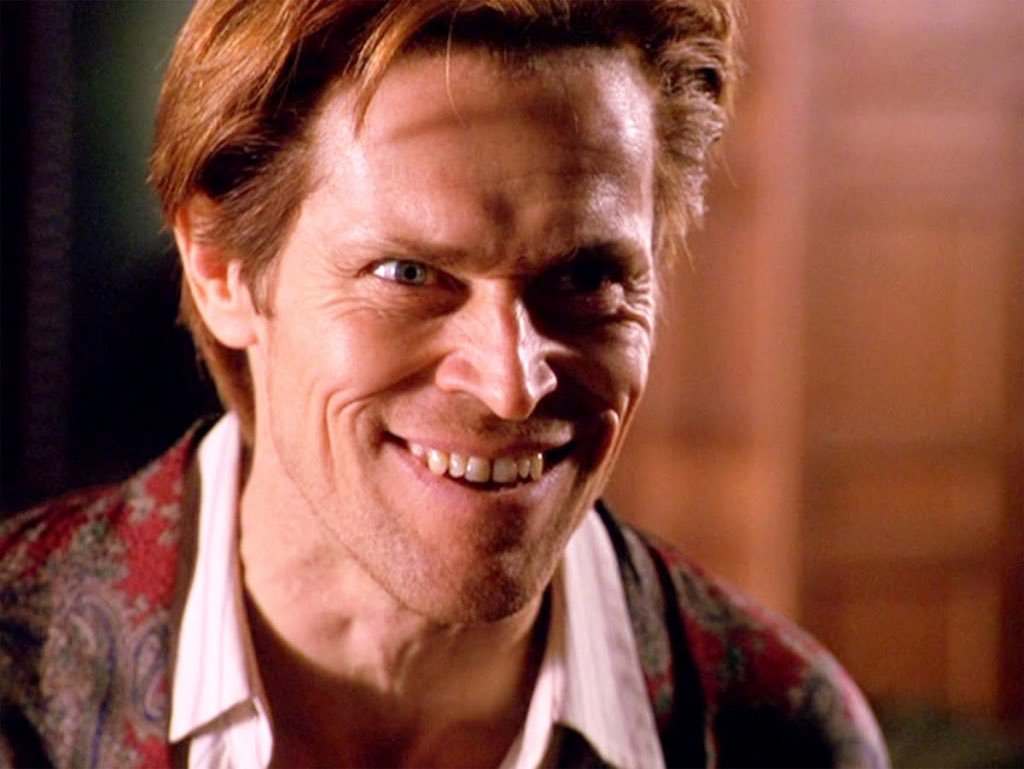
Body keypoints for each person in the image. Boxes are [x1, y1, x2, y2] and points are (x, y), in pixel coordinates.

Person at [0, 1, 889, 767]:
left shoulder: (783, 729)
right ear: (220, 268)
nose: (511, 385)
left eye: (586, 277)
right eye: (410, 274)